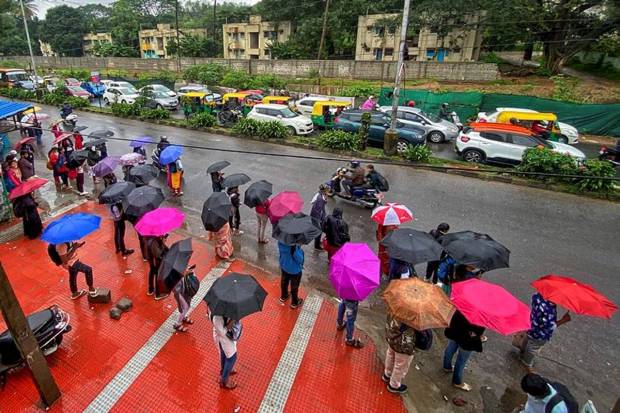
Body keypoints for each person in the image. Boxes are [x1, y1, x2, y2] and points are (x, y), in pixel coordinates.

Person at [520, 293, 571, 370]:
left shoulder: (537, 296)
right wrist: (563, 320)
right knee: (533, 348)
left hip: (531, 325)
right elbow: (550, 327)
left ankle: (522, 350)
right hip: (540, 335)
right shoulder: (549, 311)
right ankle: (527, 362)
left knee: (527, 339)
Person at [443, 310, 485, 392]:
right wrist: (479, 336)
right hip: (467, 340)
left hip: (455, 332)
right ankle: (457, 381)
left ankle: (446, 366)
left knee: (450, 349)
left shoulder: (464, 304)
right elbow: (476, 332)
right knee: (461, 361)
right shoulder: (482, 315)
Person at [383, 314, 416, 394]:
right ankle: (394, 385)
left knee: (390, 355)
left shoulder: (396, 306)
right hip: (404, 344)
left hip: (392, 337)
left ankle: (387, 374)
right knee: (401, 365)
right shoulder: (415, 315)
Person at [210, 311, 240, 389]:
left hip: (220, 335)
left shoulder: (214, 306)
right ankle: (224, 381)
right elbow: (222, 331)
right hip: (223, 337)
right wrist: (232, 320)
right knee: (232, 357)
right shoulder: (217, 317)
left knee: (224, 353)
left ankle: (224, 371)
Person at [278, 241, 304, 309]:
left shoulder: (281, 241)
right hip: (294, 270)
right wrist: (300, 250)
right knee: (294, 286)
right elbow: (300, 259)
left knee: (284, 281)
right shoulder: (294, 246)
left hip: (284, 265)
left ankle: (284, 296)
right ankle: (294, 302)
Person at [172, 266, 198, 333]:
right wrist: (186, 273)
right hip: (179, 293)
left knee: (187, 305)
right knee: (185, 307)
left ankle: (183, 317)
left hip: (185, 290)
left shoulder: (181, 263)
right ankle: (177, 324)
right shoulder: (171, 271)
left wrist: (189, 271)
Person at [146, 235, 169, 299]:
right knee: (158, 275)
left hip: (152, 261)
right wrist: (163, 243)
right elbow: (158, 254)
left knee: (152, 272)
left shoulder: (153, 238)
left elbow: (163, 247)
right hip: (155, 262)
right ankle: (158, 294)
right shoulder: (154, 242)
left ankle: (151, 290)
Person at [309, 184, 328, 251]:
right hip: (317, 217)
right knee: (319, 231)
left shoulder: (320, 195)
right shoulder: (320, 199)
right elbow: (319, 211)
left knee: (318, 230)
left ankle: (317, 242)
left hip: (317, 216)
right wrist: (320, 220)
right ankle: (317, 246)